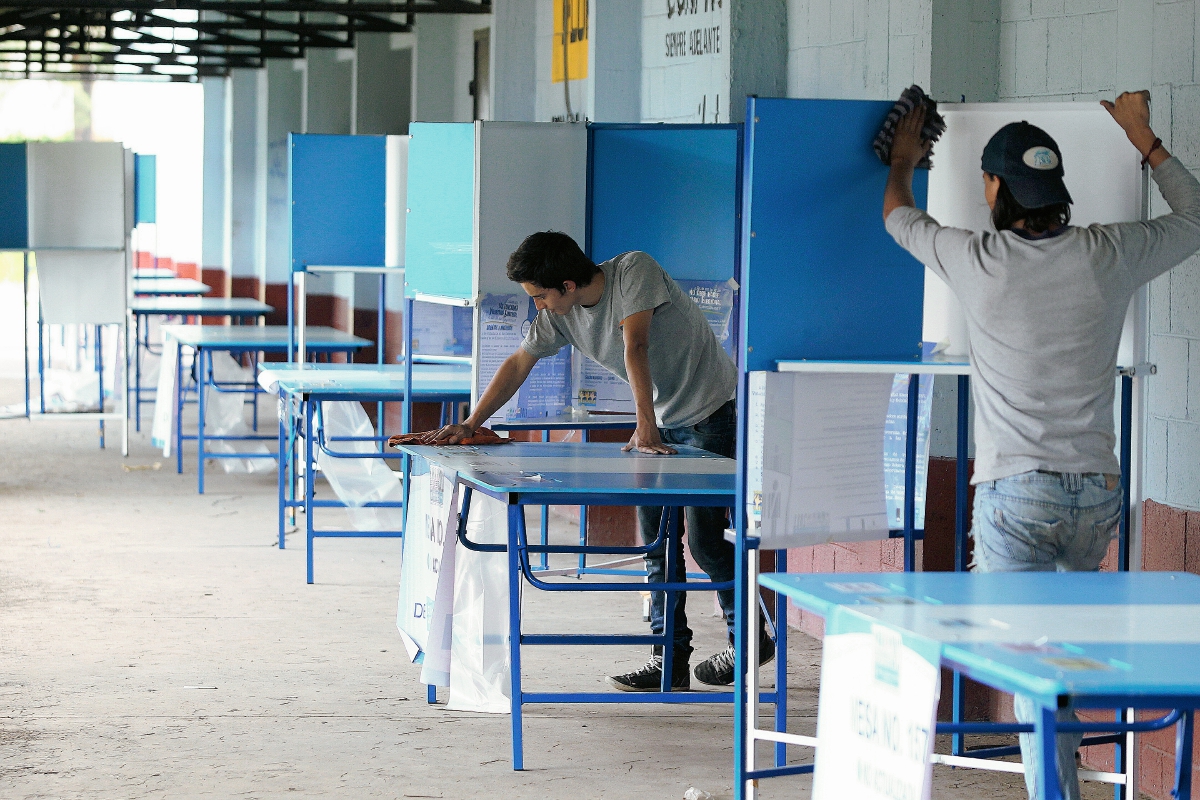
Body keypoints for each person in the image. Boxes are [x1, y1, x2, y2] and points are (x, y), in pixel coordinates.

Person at [883, 92, 1200, 800]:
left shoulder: (975, 258)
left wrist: (905, 161)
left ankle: (1053, 789)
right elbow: (1196, 216)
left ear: (993, 189)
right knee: (1054, 654)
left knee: (1030, 663)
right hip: (1096, 491)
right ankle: (1059, 767)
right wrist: (1145, 140)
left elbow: (897, 216)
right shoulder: (1106, 253)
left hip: (1014, 493)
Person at [426, 231, 774, 690]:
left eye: (542, 296)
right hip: (658, 421)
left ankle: (750, 639)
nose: (539, 307)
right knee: (657, 548)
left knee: (706, 544)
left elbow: (637, 345)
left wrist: (645, 424)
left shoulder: (634, 269)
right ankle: (668, 659)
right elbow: (516, 364)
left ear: (568, 284)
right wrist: (471, 424)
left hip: (709, 413)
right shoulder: (559, 317)